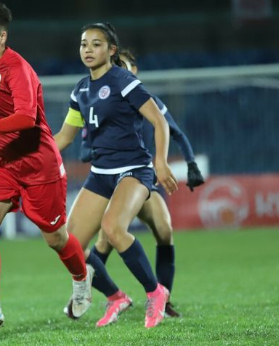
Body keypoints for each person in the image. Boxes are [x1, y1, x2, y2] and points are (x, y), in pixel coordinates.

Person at [0, 2, 93, 328]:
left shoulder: (18, 70)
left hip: (37, 165)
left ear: (2, 37)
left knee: (55, 237)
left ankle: (82, 280)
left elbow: (26, 118)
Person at [53, 22, 178, 329]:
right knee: (69, 245)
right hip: (100, 174)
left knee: (113, 228)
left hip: (134, 170)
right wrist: (27, 155)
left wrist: (160, 163)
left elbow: (159, 123)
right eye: (84, 44)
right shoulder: (80, 90)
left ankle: (155, 292)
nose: (88, 49)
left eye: (96, 44)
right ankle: (115, 296)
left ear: (111, 51)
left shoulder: (124, 81)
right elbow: (64, 138)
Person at [72, 49, 205, 323]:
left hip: (139, 175)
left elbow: (172, 130)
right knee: (102, 238)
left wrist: (189, 163)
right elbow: (85, 141)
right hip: (111, 177)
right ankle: (97, 290)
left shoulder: (145, 99)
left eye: (126, 66)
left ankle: (163, 299)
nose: (122, 70)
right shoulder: (98, 100)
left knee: (163, 230)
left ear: (135, 71)